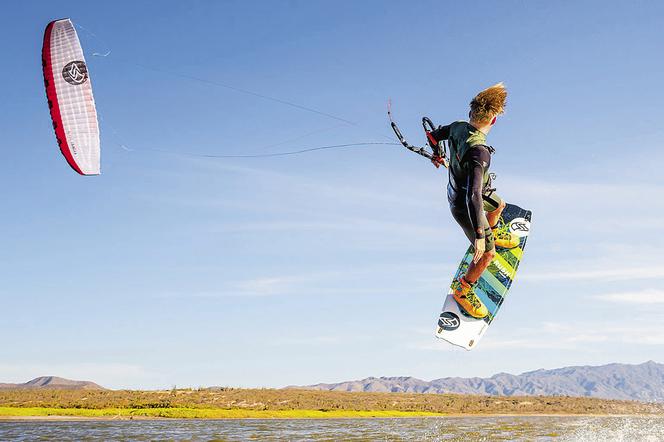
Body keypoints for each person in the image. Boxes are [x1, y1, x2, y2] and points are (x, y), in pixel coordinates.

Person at [429, 83, 519, 319]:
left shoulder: (458, 127)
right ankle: (464, 288)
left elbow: (432, 135)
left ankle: (492, 233)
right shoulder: (480, 151)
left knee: (499, 206)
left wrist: (437, 154)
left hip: (466, 193)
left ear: (471, 113)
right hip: (464, 204)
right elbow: (474, 196)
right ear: (494, 120)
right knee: (487, 255)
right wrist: (479, 236)